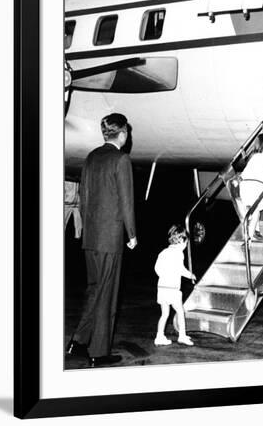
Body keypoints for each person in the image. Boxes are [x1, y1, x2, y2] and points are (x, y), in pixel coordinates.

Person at [66, 113, 137, 367]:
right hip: (110, 239)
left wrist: (88, 229)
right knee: (108, 294)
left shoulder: (91, 158)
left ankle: (77, 341)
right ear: (123, 134)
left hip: (92, 238)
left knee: (94, 290)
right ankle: (98, 352)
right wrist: (131, 234)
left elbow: (84, 199)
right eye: (127, 131)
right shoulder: (121, 160)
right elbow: (126, 202)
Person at [154, 224, 196, 346]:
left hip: (162, 287)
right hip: (173, 289)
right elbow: (181, 269)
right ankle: (182, 336)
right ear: (181, 241)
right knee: (180, 311)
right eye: (186, 243)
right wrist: (190, 275)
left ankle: (159, 336)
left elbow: (157, 269)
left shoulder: (163, 252)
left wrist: (165, 275)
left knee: (164, 314)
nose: (186, 245)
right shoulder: (179, 254)